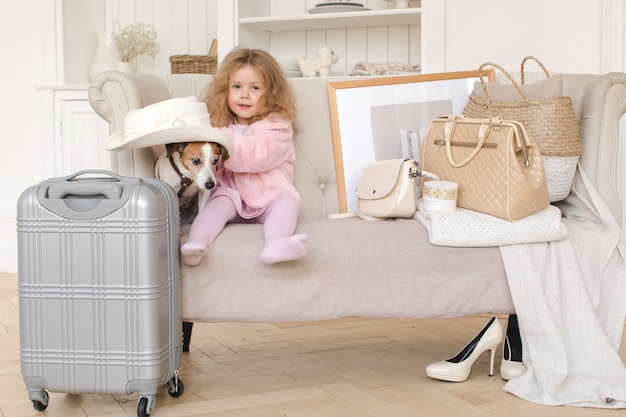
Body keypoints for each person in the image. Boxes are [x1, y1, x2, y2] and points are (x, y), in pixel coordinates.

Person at [180, 48, 308, 266]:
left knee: (288, 203)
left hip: (268, 195)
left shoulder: (277, 127)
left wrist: (220, 135)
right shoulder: (218, 125)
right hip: (232, 195)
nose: (245, 95)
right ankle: (195, 243)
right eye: (237, 87)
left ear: (271, 93)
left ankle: (276, 243)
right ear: (225, 90)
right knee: (216, 206)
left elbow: (254, 155)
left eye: (255, 88)